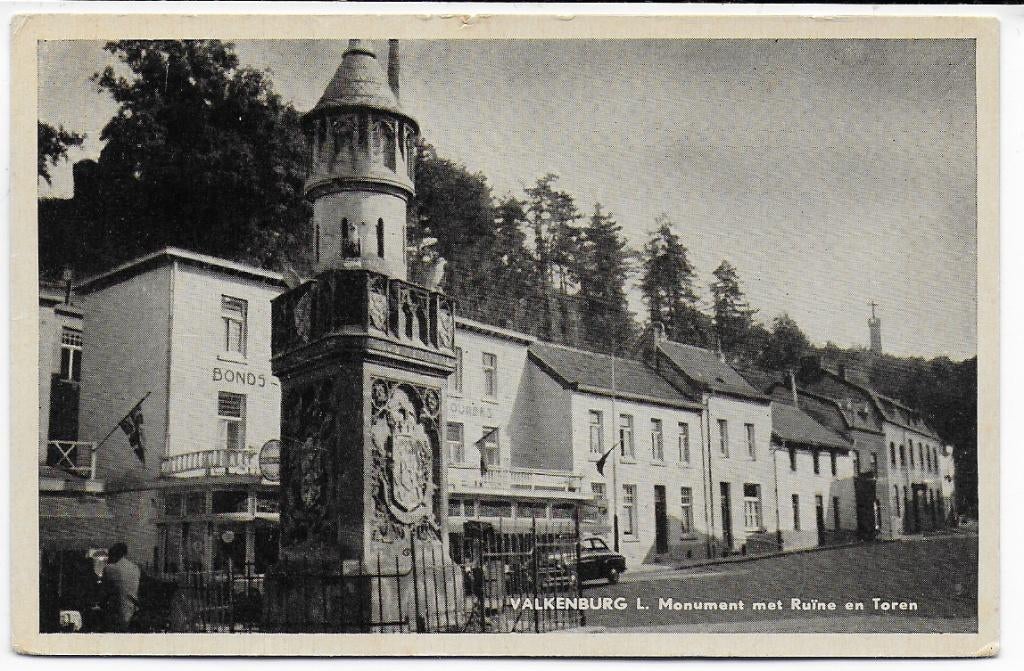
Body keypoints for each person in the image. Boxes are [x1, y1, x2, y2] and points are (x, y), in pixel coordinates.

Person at [101, 542, 140, 632]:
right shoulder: (135, 568)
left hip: (116, 616)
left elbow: (103, 594)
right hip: (132, 615)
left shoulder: (109, 568)